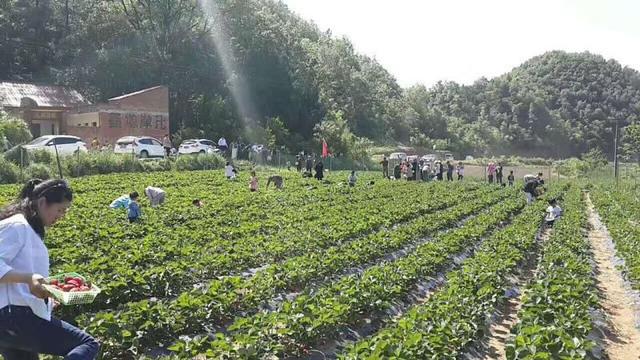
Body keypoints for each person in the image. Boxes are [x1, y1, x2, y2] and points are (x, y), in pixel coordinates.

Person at [0, 179, 100, 359]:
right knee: (87, 343)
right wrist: (29, 278)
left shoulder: (28, 229)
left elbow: (18, 277)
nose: (62, 216)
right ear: (42, 202)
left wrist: (48, 296)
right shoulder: (17, 226)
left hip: (11, 321)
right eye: (60, 210)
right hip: (14, 317)